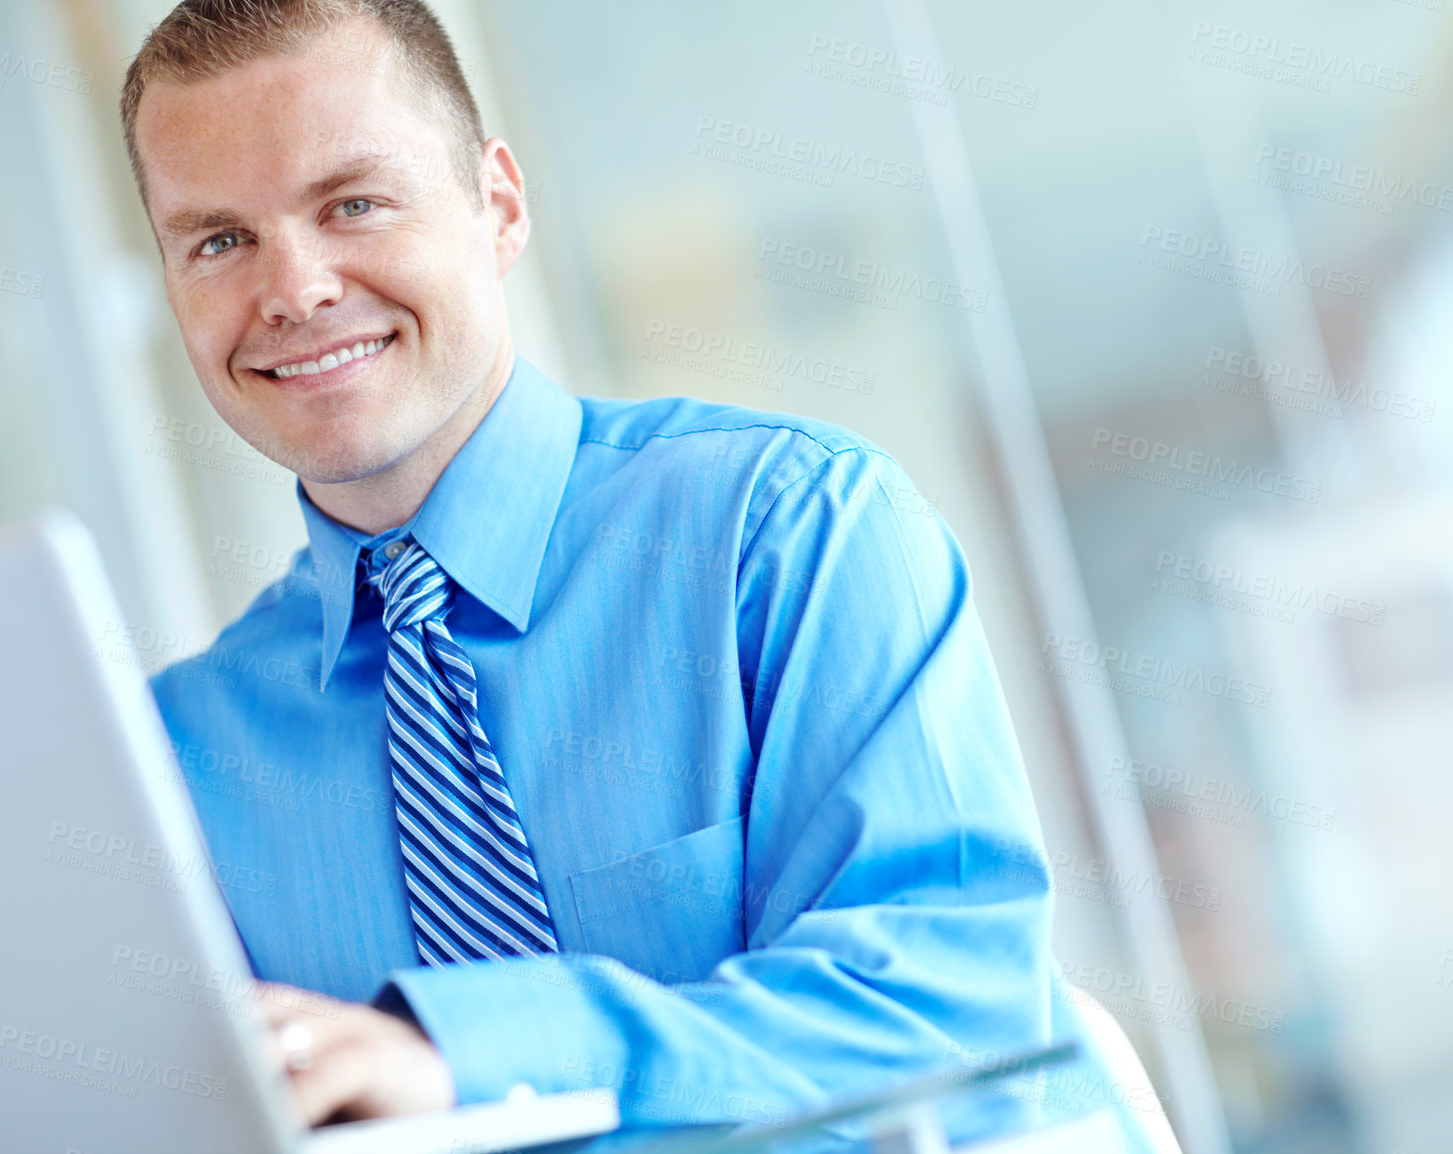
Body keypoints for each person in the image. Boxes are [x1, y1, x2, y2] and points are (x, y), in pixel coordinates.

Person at [126, 0, 1154, 1145]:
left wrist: (469, 1054)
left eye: (353, 204)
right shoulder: (171, 757)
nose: (294, 288)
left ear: (498, 205)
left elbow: (950, 1016)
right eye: (218, 241)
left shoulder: (788, 531)